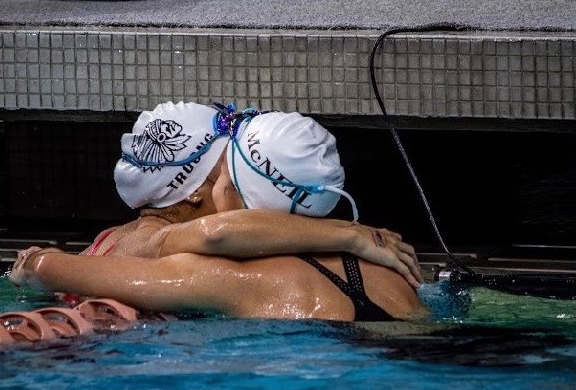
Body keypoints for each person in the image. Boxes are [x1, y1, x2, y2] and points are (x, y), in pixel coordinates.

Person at [11, 110, 428, 321]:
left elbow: (47, 267)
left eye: (223, 176)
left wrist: (32, 264)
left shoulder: (221, 276)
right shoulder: (387, 263)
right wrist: (352, 235)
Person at [80, 101, 421, 287]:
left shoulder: (113, 237)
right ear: (195, 192)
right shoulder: (151, 245)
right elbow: (217, 233)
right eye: (223, 176)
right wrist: (352, 234)